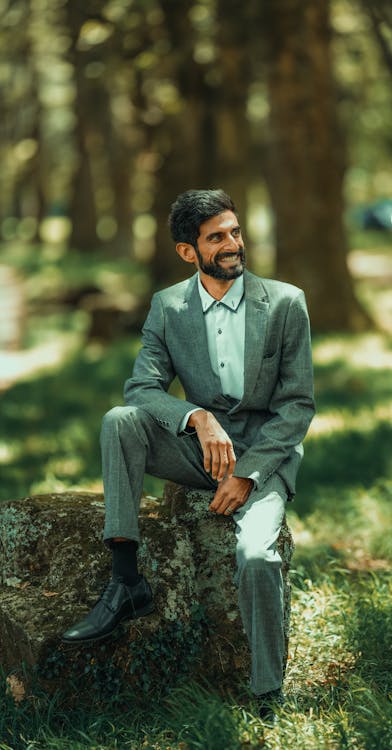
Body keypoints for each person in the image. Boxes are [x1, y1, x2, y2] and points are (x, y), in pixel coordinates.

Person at [62, 188, 315, 719]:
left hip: (263, 457)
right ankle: (126, 579)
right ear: (187, 251)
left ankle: (268, 691)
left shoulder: (286, 302)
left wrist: (247, 474)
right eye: (216, 237)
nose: (232, 245)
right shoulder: (168, 306)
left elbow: (296, 407)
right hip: (199, 449)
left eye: (235, 232)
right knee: (120, 421)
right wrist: (197, 417)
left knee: (255, 556)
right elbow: (142, 387)